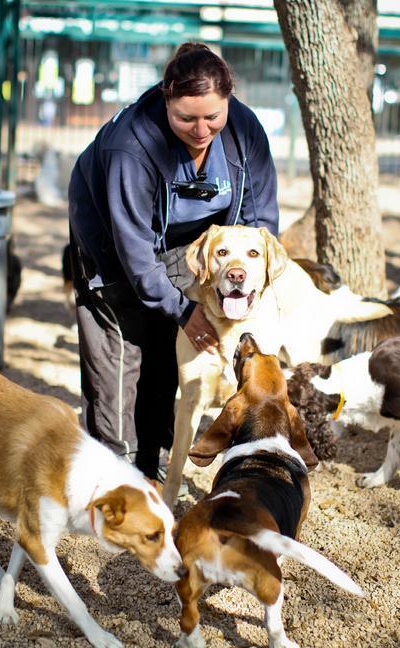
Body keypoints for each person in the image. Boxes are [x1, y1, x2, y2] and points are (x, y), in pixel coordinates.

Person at [68, 42, 279, 480]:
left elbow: (258, 220)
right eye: (186, 118)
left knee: (171, 344)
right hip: (112, 239)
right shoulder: (130, 148)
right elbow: (136, 253)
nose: (202, 130)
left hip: (193, 243)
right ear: (166, 96)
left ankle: (155, 457)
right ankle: (114, 473)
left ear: (228, 101)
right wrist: (182, 308)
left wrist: (246, 285)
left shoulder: (245, 131)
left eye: (212, 117)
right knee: (122, 354)